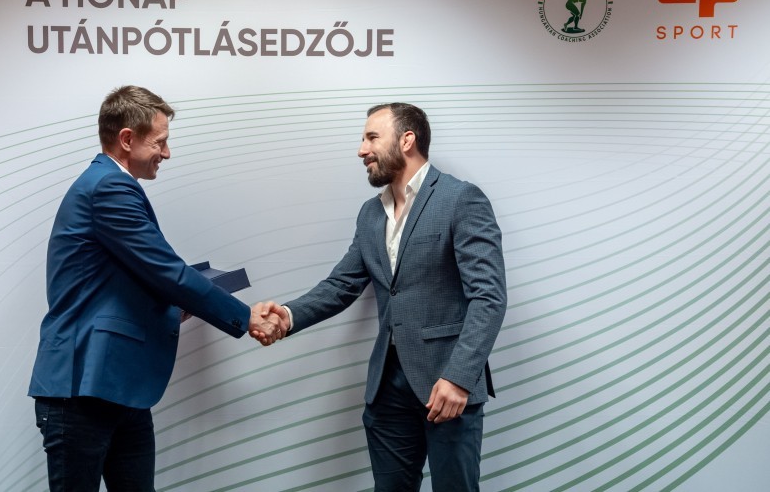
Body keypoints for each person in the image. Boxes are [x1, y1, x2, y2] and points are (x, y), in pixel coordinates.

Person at [28, 85, 285, 492]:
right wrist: (245, 316)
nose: (167, 153)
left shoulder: (109, 185)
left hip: (118, 387)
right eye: (160, 142)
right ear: (127, 139)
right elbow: (167, 273)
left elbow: (132, 279)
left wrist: (174, 304)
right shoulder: (109, 187)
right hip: (83, 388)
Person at [252, 102, 506, 491]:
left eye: (372, 137)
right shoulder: (370, 214)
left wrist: (459, 377)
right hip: (387, 388)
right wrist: (286, 316)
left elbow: (488, 297)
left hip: (446, 384)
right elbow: (342, 284)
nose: (362, 150)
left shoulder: (461, 199)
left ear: (407, 140)